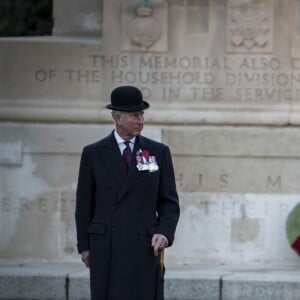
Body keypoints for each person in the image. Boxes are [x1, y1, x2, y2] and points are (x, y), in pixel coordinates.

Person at [75, 86, 180, 300]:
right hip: (106, 247)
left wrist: (165, 232)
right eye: (135, 115)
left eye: (142, 114)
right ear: (117, 118)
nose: (141, 120)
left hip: (144, 245)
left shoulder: (158, 152)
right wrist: (84, 246)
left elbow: (169, 202)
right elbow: (84, 205)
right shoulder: (93, 153)